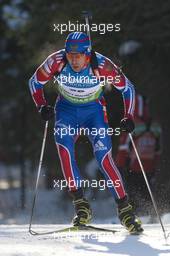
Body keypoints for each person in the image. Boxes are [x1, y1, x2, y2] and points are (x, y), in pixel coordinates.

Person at [29, 31, 143, 233]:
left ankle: (125, 210)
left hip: (94, 112)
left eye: (78, 55)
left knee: (104, 158)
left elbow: (128, 89)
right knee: (64, 149)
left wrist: (129, 116)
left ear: (87, 53)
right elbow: (34, 82)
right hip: (66, 110)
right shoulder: (56, 61)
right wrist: (41, 106)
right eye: (70, 55)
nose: (73, 60)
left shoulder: (102, 65)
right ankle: (81, 206)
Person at [116, 93, 162, 213]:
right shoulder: (155, 125)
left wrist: (119, 166)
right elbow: (158, 149)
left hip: (133, 167)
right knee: (147, 193)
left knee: (132, 193)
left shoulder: (131, 124)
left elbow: (123, 147)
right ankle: (151, 214)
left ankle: (132, 216)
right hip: (150, 167)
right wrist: (156, 165)